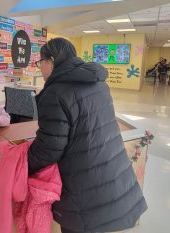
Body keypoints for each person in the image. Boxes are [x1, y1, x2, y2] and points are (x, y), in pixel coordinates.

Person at [29, 38, 147, 233]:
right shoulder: (98, 84)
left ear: (50, 61)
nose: (40, 68)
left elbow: (48, 150)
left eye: (40, 62)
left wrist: (22, 163)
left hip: (84, 191)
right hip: (113, 178)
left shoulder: (55, 93)